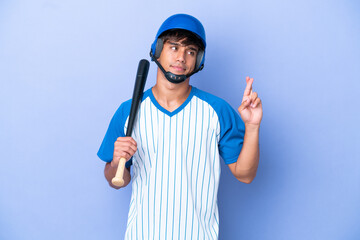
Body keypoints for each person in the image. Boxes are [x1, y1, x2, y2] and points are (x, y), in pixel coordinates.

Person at [97, 13, 262, 240]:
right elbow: (117, 181)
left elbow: (245, 174)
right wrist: (117, 162)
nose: (182, 57)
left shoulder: (217, 110)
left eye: (191, 51)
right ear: (157, 50)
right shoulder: (128, 112)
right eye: (174, 47)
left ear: (199, 60)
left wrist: (252, 126)